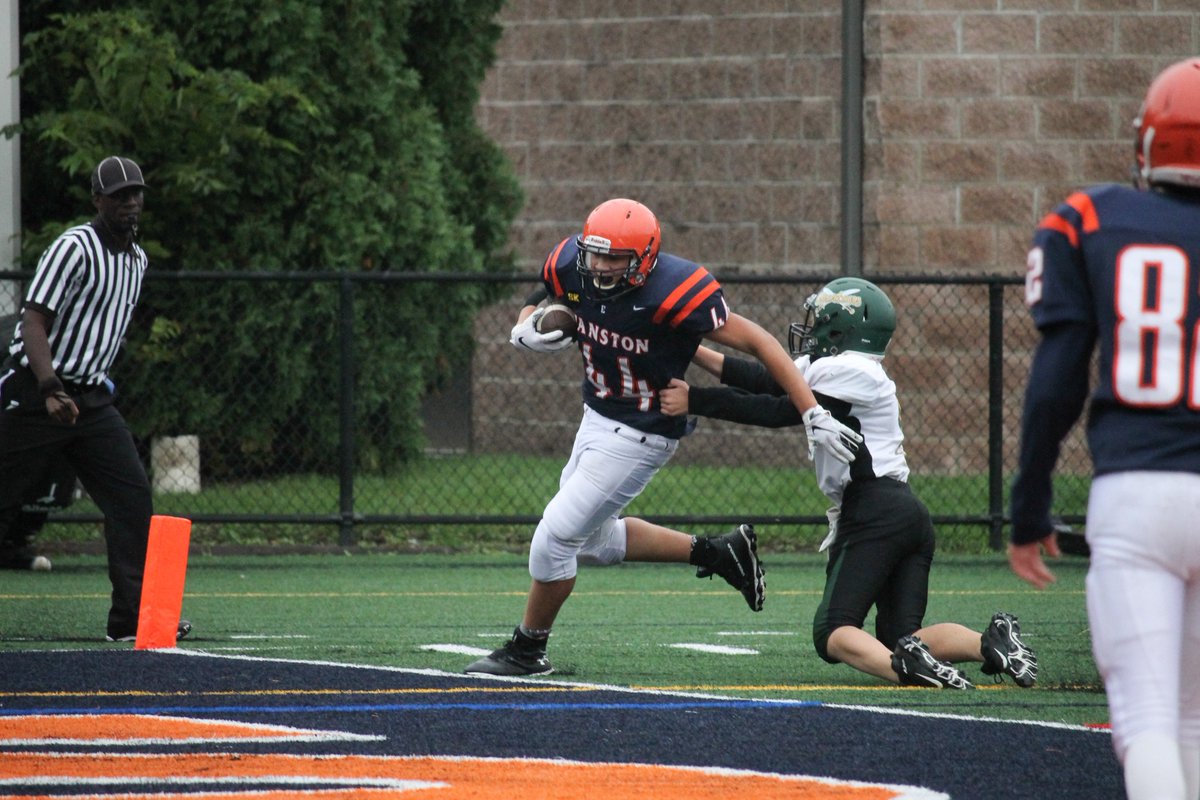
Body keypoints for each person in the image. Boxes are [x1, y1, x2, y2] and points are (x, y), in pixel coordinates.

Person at [464, 198, 863, 676]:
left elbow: (760, 341)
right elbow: (546, 289)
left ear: (646, 259)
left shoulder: (674, 289)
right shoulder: (573, 262)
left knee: (553, 539)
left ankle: (527, 649)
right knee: (588, 541)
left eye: (616, 259)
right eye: (596, 255)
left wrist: (810, 410)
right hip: (595, 413)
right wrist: (525, 324)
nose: (602, 267)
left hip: (642, 430)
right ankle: (719, 551)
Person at [659, 277, 1038, 689]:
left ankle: (907, 670)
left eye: (819, 319)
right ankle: (990, 644)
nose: (810, 327)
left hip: (873, 510)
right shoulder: (846, 367)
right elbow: (763, 378)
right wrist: (692, 349)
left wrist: (696, 400)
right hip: (905, 512)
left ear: (840, 328)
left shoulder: (850, 370)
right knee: (898, 639)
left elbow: (779, 410)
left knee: (833, 632)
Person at [1009, 58, 1200, 800]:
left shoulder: (1090, 217)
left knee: (1149, 718)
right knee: (1193, 718)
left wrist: (1030, 503)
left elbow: (1059, 376)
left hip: (1139, 490)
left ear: (1150, 143)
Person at [0, 155, 189, 642]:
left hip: (89, 400)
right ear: (97, 200)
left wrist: (89, 385)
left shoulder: (137, 261)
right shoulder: (75, 247)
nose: (130, 203)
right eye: (119, 194)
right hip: (36, 392)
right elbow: (34, 320)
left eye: (136, 194)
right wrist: (49, 387)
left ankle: (131, 619)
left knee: (131, 496)